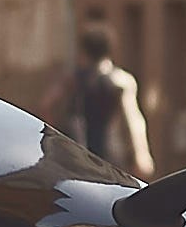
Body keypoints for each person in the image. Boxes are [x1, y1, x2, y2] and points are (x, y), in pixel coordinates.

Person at [57, 24, 152, 180]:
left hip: (80, 154)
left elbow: (47, 104)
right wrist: (141, 154)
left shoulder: (74, 80)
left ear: (84, 51)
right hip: (111, 155)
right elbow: (133, 119)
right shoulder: (120, 81)